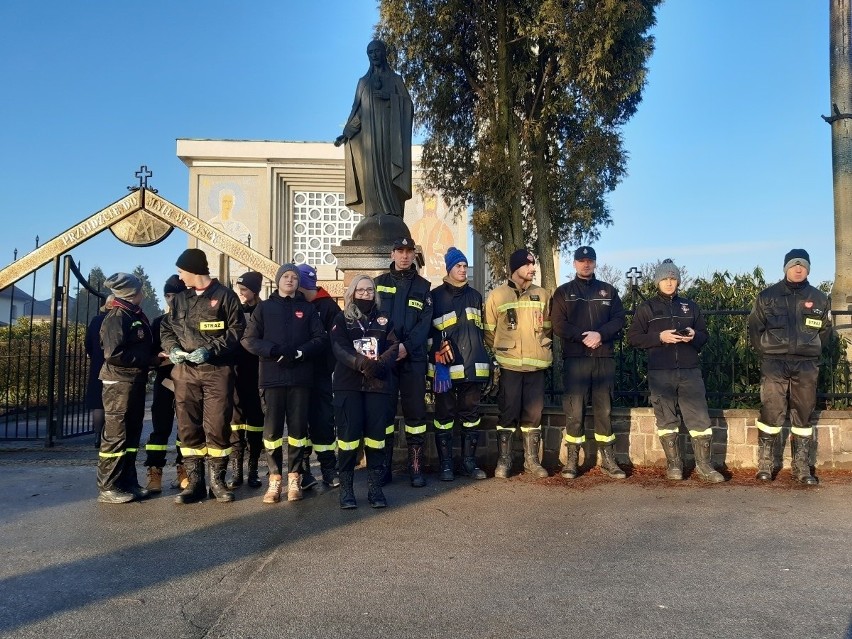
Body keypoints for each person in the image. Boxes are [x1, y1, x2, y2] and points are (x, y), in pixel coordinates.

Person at [160, 248, 246, 504]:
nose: (180, 276)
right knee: (187, 425)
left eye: (181, 271)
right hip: (185, 372)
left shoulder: (226, 297)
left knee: (218, 423)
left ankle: (217, 482)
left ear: (194, 269)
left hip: (217, 371)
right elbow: (167, 329)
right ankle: (195, 483)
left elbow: (236, 330)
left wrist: (209, 350)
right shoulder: (180, 299)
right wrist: (172, 348)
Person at [627, 260, 725, 483]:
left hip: (690, 371)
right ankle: (674, 465)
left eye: (673, 278)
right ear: (657, 282)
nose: (669, 283)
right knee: (666, 420)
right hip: (660, 372)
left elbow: (704, 335)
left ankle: (705, 467)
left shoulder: (690, 306)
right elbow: (632, 338)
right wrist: (659, 338)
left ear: (678, 281)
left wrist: (694, 335)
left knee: (700, 420)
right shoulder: (647, 308)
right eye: (665, 279)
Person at [241, 263, 327, 503]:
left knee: (299, 431)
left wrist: (300, 352)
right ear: (278, 280)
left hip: (300, 379)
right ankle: (275, 478)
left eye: (294, 277)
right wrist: (273, 350)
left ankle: (295, 477)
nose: (290, 280)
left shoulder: (307, 310)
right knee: (272, 432)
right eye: (286, 276)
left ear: (299, 283)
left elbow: (321, 339)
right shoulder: (264, 309)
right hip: (272, 379)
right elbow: (248, 340)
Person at [748, 249, 831, 485]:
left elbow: (824, 332)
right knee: (771, 410)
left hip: (806, 364)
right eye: (794, 265)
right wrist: (766, 349)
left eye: (802, 265)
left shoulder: (820, 298)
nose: (798, 269)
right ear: (786, 268)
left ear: (808, 269)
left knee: (803, 414)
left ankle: (801, 467)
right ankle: (765, 464)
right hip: (774, 362)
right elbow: (755, 328)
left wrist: (810, 348)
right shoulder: (767, 296)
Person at [551, 246, 626, 480]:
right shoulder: (563, 292)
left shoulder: (609, 291)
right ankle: (572, 460)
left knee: (604, 411)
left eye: (590, 261)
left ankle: (609, 460)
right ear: (574, 264)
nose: (586, 264)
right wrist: (584, 336)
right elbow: (558, 324)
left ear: (595, 263)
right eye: (581, 261)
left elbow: (619, 320)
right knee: (575, 412)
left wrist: (600, 335)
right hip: (576, 359)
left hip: (603, 358)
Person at [330, 275, 400, 508]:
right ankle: (347, 491)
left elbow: (393, 346)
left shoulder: (384, 320)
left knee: (376, 440)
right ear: (352, 293)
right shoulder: (342, 319)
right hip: (348, 386)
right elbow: (339, 347)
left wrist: (379, 365)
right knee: (348, 440)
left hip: (377, 387)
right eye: (360, 290)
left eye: (369, 290)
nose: (365, 294)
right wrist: (362, 363)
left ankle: (375, 489)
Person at [483, 248, 552, 479]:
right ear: (515, 269)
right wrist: (505, 351)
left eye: (533, 265)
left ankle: (532, 461)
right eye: (528, 265)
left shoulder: (542, 295)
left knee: (534, 416)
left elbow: (549, 326)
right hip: (509, 366)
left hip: (535, 366)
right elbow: (489, 332)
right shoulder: (497, 296)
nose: (533, 269)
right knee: (507, 415)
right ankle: (505, 461)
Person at [374, 236, 433, 486]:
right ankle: (384, 468)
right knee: (384, 415)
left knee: (415, 415)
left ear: (414, 256)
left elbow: (425, 323)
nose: (404, 256)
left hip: (414, 359)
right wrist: (392, 347)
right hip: (387, 359)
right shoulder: (378, 284)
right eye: (400, 251)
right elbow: (373, 319)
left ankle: (416, 468)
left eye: (409, 251)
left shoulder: (424, 286)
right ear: (392, 254)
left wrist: (407, 347)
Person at [428, 247, 490, 481]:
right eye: (458, 266)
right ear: (449, 269)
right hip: (444, 368)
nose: (463, 270)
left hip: (472, 366)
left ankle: (469, 464)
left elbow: (482, 331)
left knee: (471, 415)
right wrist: (437, 350)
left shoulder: (475, 296)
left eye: (465, 266)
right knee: (443, 416)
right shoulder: (435, 296)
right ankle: (446, 465)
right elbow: (429, 332)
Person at [334, 39, 413, 218]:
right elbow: (358, 112)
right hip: (369, 139)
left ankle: (392, 213)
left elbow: (408, 106)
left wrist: (389, 97)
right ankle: (373, 214)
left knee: (388, 170)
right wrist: (347, 133)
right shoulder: (363, 82)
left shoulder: (395, 80)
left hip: (389, 138)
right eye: (370, 52)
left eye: (377, 51)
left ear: (384, 53)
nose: (374, 55)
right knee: (370, 173)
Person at [96, 273, 154, 504]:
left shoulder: (132, 314)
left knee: (131, 435)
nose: (143, 293)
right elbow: (114, 354)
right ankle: (108, 486)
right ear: (132, 293)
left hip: (133, 381)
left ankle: (128, 482)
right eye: (140, 289)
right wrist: (148, 359)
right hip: (119, 383)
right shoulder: (117, 317)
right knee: (116, 435)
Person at [298, 263, 342, 488]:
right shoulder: (294, 304)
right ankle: (303, 471)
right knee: (299, 424)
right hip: (298, 375)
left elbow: (337, 342)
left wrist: (329, 368)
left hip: (321, 374)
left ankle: (328, 468)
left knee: (324, 421)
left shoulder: (329, 308)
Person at [142, 275, 187, 493]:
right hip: (165, 379)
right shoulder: (159, 322)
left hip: (188, 379)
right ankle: (154, 472)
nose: (171, 299)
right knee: (160, 428)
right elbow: (149, 354)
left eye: (174, 295)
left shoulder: (192, 320)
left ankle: (184, 470)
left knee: (187, 429)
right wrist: (159, 357)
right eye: (167, 295)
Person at [226, 271, 266, 490]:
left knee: (256, 423)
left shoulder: (263, 310)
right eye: (239, 290)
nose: (240, 294)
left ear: (254, 291)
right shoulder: (233, 311)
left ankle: (253, 470)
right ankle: (236, 471)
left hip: (257, 372)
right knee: (236, 422)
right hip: (235, 373)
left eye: (244, 290)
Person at [85, 295, 112, 449]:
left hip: (97, 365)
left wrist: (94, 355)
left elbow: (88, 343)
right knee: (114, 404)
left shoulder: (96, 321)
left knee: (98, 403)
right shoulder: (120, 319)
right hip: (115, 365)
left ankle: (97, 436)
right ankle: (110, 435)